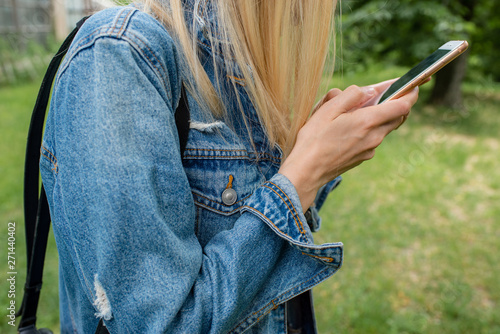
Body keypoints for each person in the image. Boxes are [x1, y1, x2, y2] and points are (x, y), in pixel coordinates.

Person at [40, 0, 418, 333]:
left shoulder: (233, 73)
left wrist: (317, 155)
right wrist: (304, 174)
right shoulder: (121, 52)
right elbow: (159, 326)